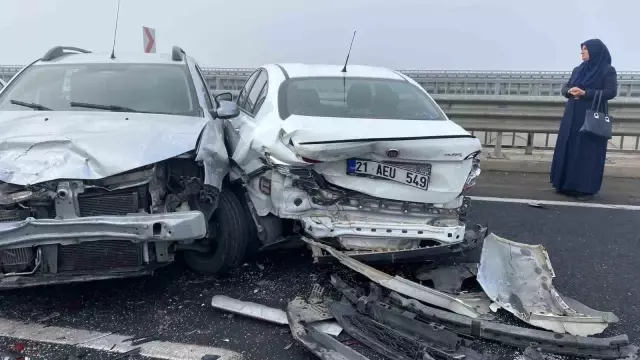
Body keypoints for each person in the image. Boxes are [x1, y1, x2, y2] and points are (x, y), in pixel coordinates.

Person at [550, 39, 618, 200]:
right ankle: (565, 185)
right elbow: (565, 88)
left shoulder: (607, 70)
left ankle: (585, 189)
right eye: (582, 49)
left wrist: (585, 93)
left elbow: (611, 92)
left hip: (591, 115)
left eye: (585, 49)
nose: (582, 52)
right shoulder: (578, 69)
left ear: (595, 51)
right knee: (569, 148)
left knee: (587, 152)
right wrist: (569, 92)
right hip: (572, 114)